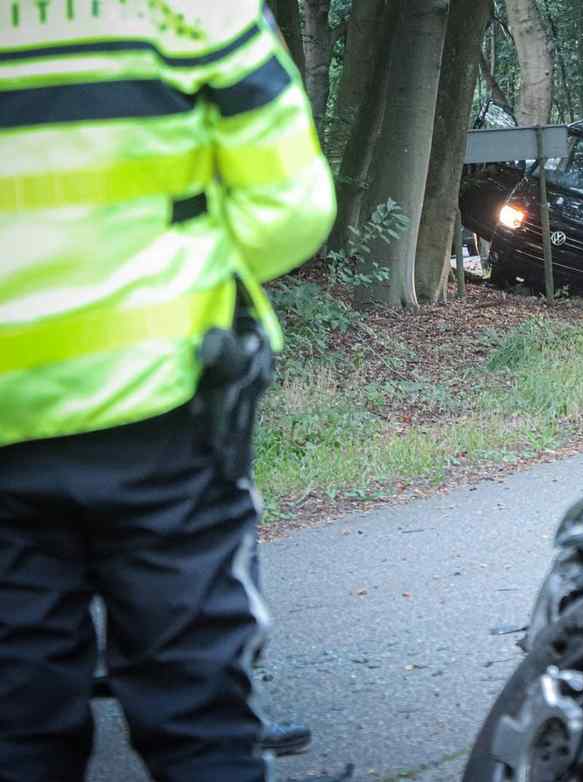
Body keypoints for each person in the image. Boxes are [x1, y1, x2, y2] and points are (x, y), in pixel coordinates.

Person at [0, 1, 334, 779]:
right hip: (162, 401)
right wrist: (183, 269)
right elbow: (290, 208)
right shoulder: (192, 9)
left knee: (15, 711)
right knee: (198, 707)